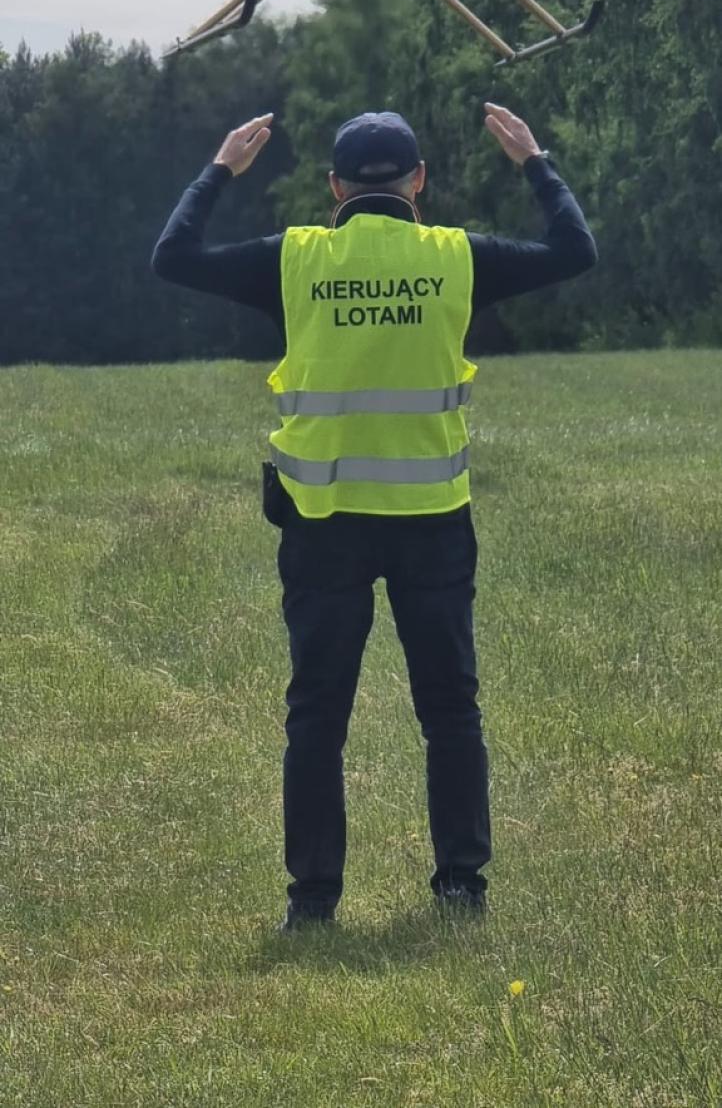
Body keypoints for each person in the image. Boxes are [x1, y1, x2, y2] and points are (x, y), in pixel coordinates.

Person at [152, 102, 597, 930]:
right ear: (419, 183)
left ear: (334, 189)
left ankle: (313, 901)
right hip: (432, 516)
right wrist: (534, 160)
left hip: (323, 523)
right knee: (450, 711)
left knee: (317, 716)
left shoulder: (297, 260)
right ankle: (461, 885)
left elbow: (173, 256)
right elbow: (576, 249)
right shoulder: (456, 257)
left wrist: (219, 167)